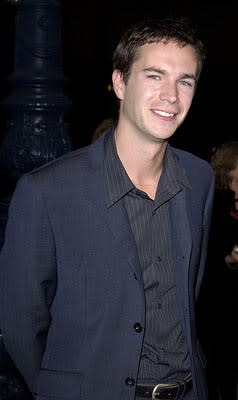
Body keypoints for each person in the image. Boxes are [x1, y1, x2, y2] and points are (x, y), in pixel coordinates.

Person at [0, 16, 214, 400]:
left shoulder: (199, 179)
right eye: (154, 76)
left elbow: (189, 291)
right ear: (120, 83)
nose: (171, 95)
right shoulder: (48, 190)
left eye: (185, 81)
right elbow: (19, 321)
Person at [198, 141, 238, 400]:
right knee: (221, 367)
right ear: (230, 170)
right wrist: (229, 260)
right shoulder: (212, 205)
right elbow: (205, 258)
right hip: (220, 304)